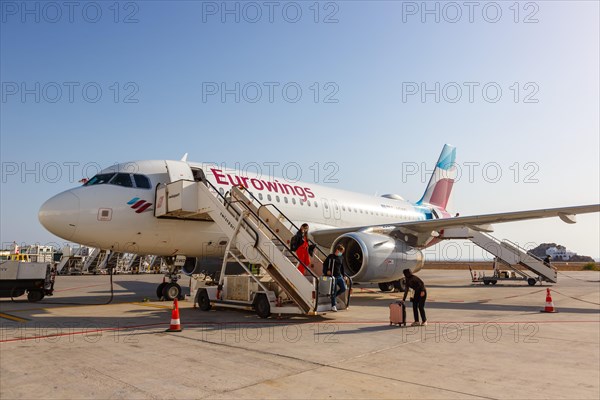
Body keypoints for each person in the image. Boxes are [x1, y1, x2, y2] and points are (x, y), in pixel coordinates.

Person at [323, 244, 347, 312]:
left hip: (339, 276)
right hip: (332, 276)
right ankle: (333, 305)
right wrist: (326, 271)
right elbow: (325, 264)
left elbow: (342, 267)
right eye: (341, 251)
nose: (341, 253)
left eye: (342, 252)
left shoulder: (341, 258)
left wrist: (344, 275)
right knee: (333, 290)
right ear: (337, 250)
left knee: (343, 288)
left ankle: (333, 297)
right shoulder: (331, 257)